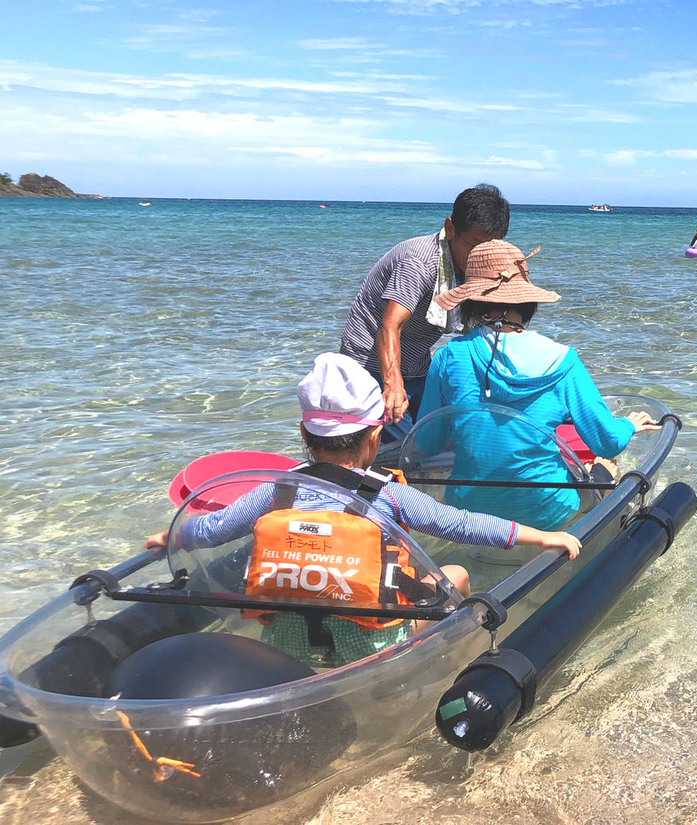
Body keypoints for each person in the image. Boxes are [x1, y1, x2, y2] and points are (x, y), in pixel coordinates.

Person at [143, 353, 581, 664]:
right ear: (374, 437)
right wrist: (543, 536)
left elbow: (213, 528)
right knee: (457, 574)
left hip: (286, 644)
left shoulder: (276, 492)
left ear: (304, 431)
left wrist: (173, 534)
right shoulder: (386, 494)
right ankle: (444, 657)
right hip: (373, 649)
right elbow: (465, 526)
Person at [418, 240, 663, 530]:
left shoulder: (448, 356)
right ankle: (597, 482)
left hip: (468, 513)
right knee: (604, 467)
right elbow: (608, 443)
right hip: (546, 512)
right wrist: (629, 425)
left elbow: (426, 442)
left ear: (469, 302)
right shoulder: (564, 361)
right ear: (527, 302)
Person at [338, 184, 511, 444]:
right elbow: (391, 325)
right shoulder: (420, 261)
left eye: (488, 249)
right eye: (474, 246)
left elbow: (490, 324)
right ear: (450, 228)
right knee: (403, 448)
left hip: (417, 363)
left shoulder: (480, 263)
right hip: (370, 363)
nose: (481, 258)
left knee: (440, 439)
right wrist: (393, 385)